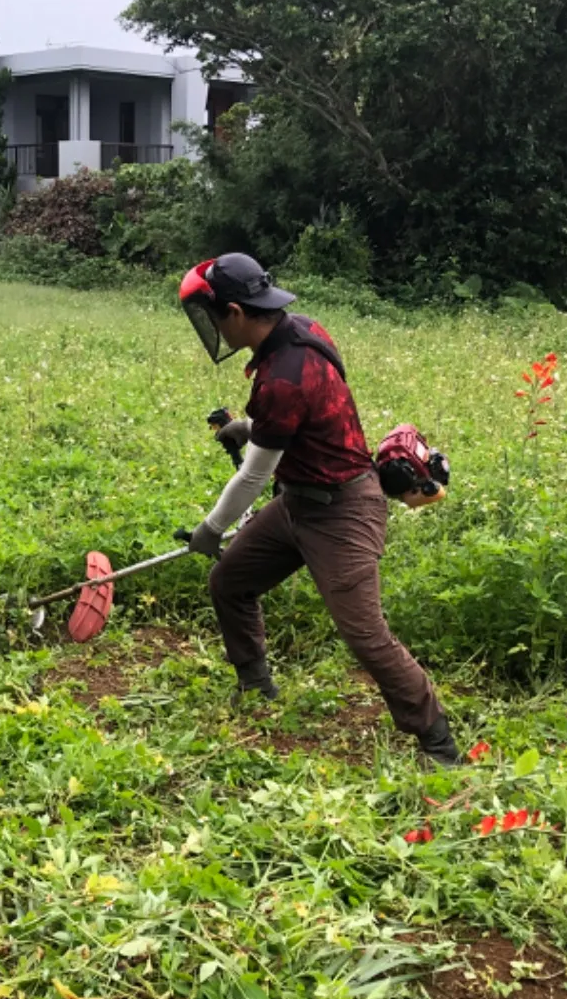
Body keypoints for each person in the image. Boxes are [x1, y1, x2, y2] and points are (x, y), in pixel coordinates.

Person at [174, 253, 463, 767]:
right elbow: (296, 420)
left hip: (344, 511)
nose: (214, 327)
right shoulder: (297, 331)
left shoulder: (283, 376)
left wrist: (210, 529)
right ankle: (257, 687)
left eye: (215, 316)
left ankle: (438, 744)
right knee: (230, 583)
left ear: (237, 312)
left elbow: (254, 474)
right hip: (298, 502)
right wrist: (252, 427)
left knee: (366, 636)